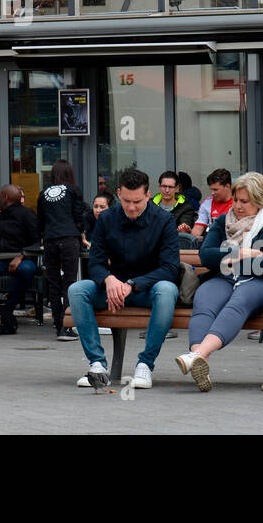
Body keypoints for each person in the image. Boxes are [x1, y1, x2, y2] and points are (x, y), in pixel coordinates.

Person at [67, 168, 180, 390]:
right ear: (118, 194)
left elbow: (170, 268)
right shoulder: (107, 218)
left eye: (137, 201)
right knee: (77, 289)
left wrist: (132, 285)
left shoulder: (164, 220)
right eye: (126, 200)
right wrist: (109, 280)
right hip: (113, 290)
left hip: (148, 290)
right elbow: (96, 262)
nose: (131, 207)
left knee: (167, 289)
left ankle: (145, 365)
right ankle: (97, 365)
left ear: (148, 195)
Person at [175, 171, 263, 391]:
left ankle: (197, 355)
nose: (238, 206)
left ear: (260, 200)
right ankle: (199, 361)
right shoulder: (224, 220)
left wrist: (226, 256)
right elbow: (206, 255)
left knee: (238, 303)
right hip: (223, 278)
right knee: (204, 300)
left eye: (245, 201)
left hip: (259, 281)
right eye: (236, 200)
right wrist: (243, 252)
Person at [0, 184, 39, 336]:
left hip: (23, 259)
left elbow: (37, 243)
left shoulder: (27, 215)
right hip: (2, 259)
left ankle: (7, 309)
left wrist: (21, 256)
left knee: (27, 269)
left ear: (5, 197)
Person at [38, 160, 88, 341]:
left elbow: (40, 219)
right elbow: (78, 214)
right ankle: (66, 327)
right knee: (69, 283)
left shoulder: (44, 192)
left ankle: (58, 324)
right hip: (69, 238)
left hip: (50, 239)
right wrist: (81, 231)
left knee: (53, 283)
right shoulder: (73, 190)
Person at [152, 170, 197, 245]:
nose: (167, 190)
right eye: (164, 186)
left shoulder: (186, 207)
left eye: (170, 187)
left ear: (177, 188)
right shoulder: (149, 205)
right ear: (159, 187)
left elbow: (184, 224)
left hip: (173, 246)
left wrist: (184, 229)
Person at [193, 169, 234, 241]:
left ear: (227, 186)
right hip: (212, 242)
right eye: (211, 189)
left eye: (215, 190)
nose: (212, 193)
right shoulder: (207, 204)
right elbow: (198, 229)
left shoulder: (239, 202)